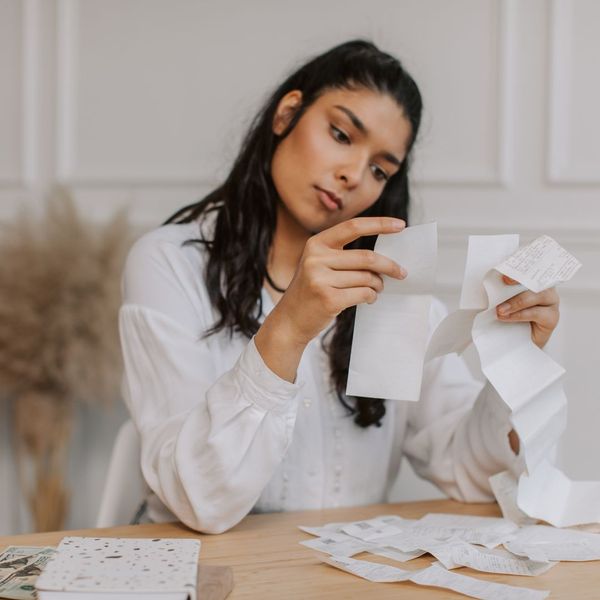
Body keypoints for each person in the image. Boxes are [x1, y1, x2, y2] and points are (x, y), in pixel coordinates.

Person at [119, 40, 560, 533]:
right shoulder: (168, 265)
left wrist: (514, 360)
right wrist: (287, 328)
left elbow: (474, 475)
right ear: (287, 114)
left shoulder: (391, 292)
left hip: (341, 576)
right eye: (340, 134)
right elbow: (199, 501)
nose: (353, 175)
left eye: (379, 170)